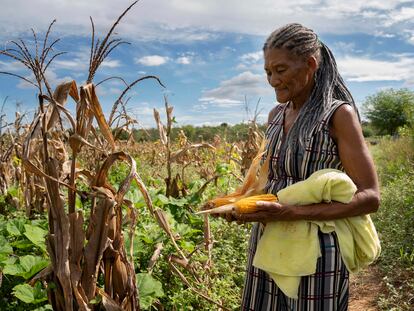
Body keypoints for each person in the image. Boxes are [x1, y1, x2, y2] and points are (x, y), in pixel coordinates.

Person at [228, 23, 380, 310]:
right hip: (269, 241)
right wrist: (241, 204)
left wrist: (290, 212)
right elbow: (273, 179)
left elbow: (370, 197)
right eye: (268, 72)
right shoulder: (275, 115)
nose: (273, 80)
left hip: (318, 251)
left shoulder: (338, 115)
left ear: (310, 64)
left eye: (281, 70)